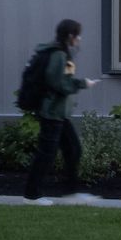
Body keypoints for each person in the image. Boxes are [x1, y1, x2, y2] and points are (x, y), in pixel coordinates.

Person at [22, 19, 90, 204]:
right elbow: (58, 83)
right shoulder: (58, 55)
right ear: (70, 36)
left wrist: (76, 83)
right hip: (51, 112)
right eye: (77, 34)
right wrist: (82, 84)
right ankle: (31, 195)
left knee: (73, 150)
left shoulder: (65, 54)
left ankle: (71, 193)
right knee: (46, 153)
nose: (79, 38)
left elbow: (66, 78)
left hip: (60, 113)